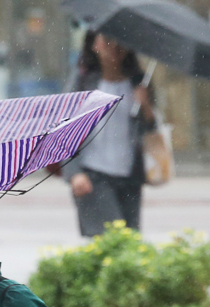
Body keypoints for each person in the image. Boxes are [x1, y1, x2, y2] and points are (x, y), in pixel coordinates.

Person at [61, 30, 155, 238]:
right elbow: (65, 129)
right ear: (94, 45)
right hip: (93, 174)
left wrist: (145, 105)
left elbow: (151, 130)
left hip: (130, 175)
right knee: (109, 241)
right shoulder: (83, 81)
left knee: (129, 243)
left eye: (120, 40)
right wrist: (74, 172)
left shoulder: (138, 82)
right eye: (107, 40)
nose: (115, 46)